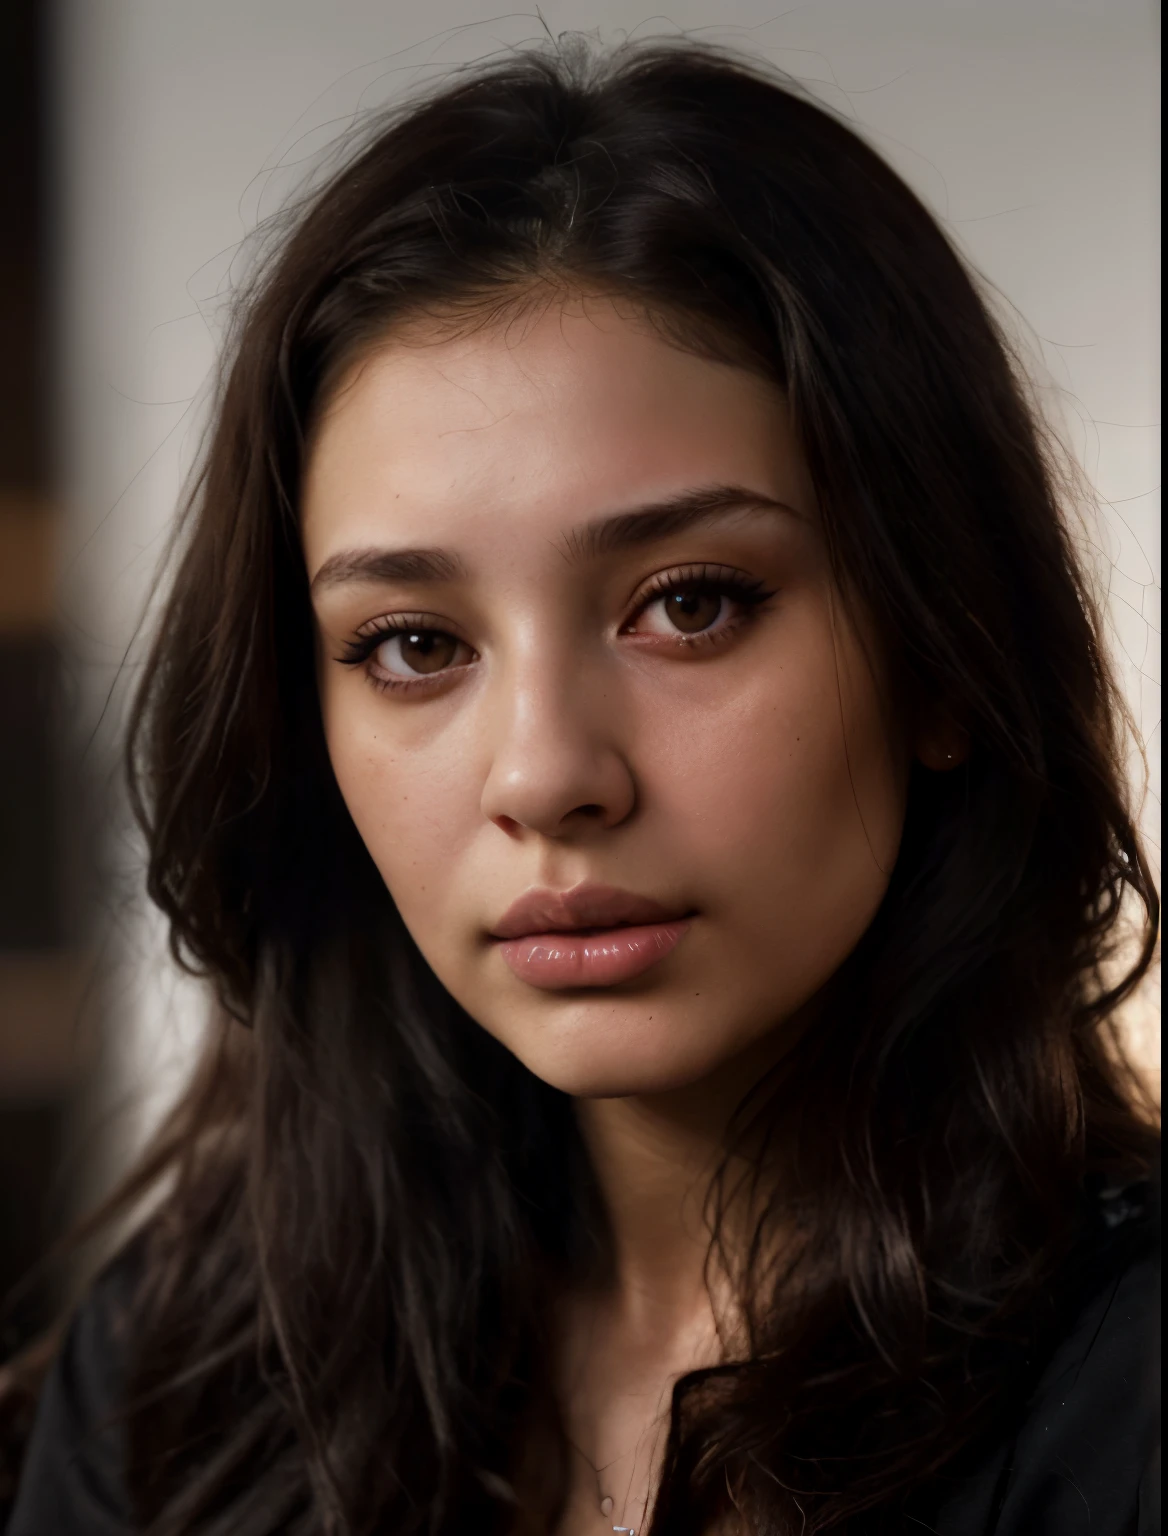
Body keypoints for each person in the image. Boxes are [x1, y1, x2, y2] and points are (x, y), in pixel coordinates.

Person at [2, 35, 1159, 1536]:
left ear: (941, 651)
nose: (548, 774)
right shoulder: (179, 1383)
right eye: (413, 643)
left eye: (691, 603)